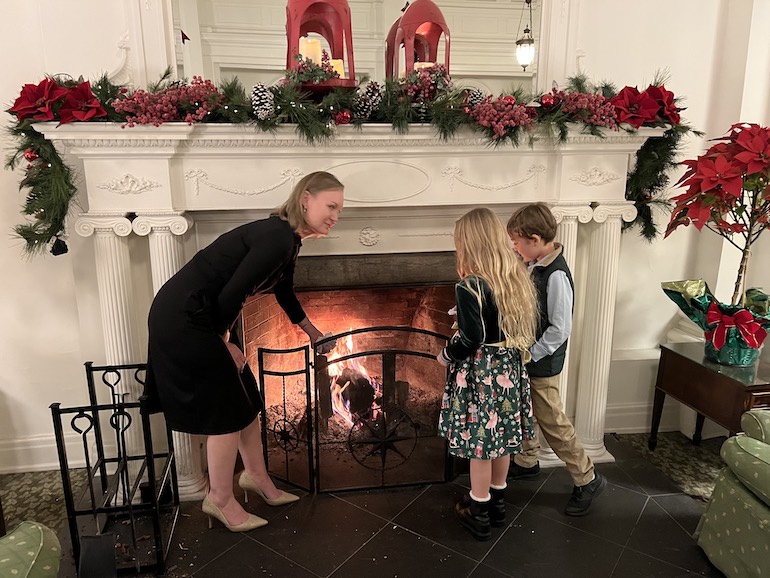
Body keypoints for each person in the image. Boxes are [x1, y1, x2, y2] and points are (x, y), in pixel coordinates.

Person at [144, 171, 343, 532]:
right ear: (305, 199)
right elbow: (231, 293)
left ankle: (256, 477)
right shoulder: (276, 237)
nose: (335, 216)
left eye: (340, 210)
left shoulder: (287, 239)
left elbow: (284, 293)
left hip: (202, 317)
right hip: (185, 319)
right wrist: (226, 341)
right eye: (331, 206)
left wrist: (314, 333)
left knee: (246, 396)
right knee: (226, 410)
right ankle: (219, 498)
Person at [437, 207, 538, 541]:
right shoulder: (516, 277)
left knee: (480, 443)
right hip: (508, 366)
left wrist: (445, 355)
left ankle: (478, 510)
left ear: (470, 244)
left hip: (481, 373)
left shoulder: (470, 286)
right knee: (503, 440)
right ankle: (497, 502)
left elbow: (471, 338)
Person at [506, 202, 606, 517]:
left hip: (541, 360)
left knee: (552, 420)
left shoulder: (556, 274)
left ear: (535, 240)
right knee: (525, 408)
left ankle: (587, 477)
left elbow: (561, 327)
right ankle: (527, 459)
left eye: (517, 241)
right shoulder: (532, 263)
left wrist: (531, 353)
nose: (514, 247)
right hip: (525, 356)